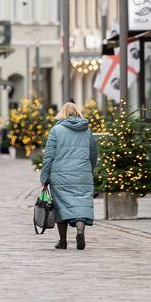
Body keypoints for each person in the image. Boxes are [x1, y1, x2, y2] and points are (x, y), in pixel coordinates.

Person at [39, 101, 98, 251]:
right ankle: (80, 230)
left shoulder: (56, 130)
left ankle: (63, 241)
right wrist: (89, 170)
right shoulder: (87, 130)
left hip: (60, 175)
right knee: (81, 204)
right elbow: (93, 154)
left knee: (61, 206)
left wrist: (44, 177)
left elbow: (49, 156)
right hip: (82, 174)